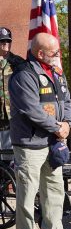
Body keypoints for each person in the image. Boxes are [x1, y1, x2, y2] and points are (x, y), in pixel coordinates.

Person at [9, 33, 71, 229]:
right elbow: (31, 110)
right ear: (40, 54)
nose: (58, 56)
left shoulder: (56, 72)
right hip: (30, 143)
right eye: (54, 52)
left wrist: (67, 122)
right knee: (28, 191)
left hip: (53, 142)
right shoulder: (24, 75)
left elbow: (67, 101)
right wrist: (57, 127)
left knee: (55, 188)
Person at [0, 27, 24, 161]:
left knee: (10, 152)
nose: (5, 44)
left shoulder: (19, 63)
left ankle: (8, 180)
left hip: (13, 114)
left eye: (7, 41)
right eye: (2, 41)